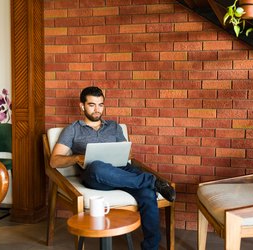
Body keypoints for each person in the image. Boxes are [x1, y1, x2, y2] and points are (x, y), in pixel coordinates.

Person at [50, 86, 176, 250]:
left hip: (122, 172)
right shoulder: (73, 129)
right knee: (97, 166)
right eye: (92, 105)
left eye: (100, 105)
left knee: (147, 194)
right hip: (95, 176)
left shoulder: (114, 127)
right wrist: (77, 157)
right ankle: (153, 181)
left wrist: (125, 152)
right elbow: (54, 161)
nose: (97, 110)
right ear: (82, 106)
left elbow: (128, 155)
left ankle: (151, 247)